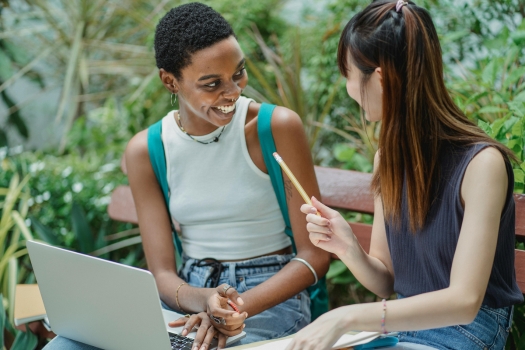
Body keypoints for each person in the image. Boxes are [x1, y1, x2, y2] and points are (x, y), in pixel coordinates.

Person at [43, 2, 331, 350]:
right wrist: (203, 300)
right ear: (170, 81)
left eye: (238, 73)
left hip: (267, 296)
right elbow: (163, 273)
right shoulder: (148, 150)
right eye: (212, 84)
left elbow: (314, 256)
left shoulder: (275, 127)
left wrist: (231, 309)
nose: (234, 92)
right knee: (67, 346)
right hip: (189, 297)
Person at [286, 1, 524, 350]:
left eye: (348, 73)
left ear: (380, 78)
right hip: (400, 332)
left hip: (464, 334)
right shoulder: (388, 159)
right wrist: (348, 246)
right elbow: (386, 281)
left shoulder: (482, 164)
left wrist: (346, 316)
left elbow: (464, 301)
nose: (348, 87)